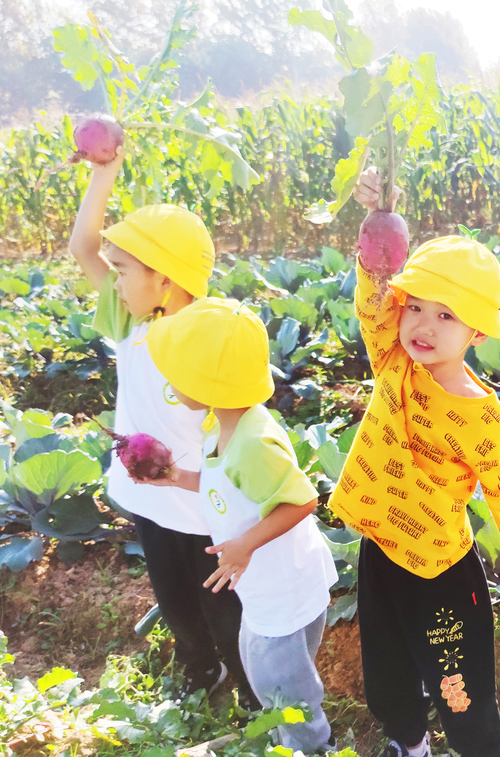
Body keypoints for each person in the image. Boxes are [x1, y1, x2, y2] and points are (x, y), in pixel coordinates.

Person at [327, 168, 500, 757]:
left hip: (441, 578)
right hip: (382, 554)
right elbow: (373, 300)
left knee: (460, 691)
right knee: (386, 679)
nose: (423, 326)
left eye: (446, 315)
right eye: (416, 308)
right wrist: (378, 232)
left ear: (478, 329)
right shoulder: (392, 361)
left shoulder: (479, 414)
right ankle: (411, 743)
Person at [66, 146, 252, 702]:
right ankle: (200, 672)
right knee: (174, 600)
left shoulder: (211, 331)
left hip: (203, 504)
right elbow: (83, 247)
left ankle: (249, 689)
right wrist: (105, 176)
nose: (114, 280)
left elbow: (240, 420)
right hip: (149, 496)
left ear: (165, 279)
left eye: (123, 270)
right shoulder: (131, 318)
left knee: (223, 606)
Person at [145, 298, 338, 752]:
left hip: (284, 589)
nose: (169, 380)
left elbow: (302, 501)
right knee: (263, 670)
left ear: (207, 381)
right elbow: (224, 487)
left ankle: (313, 746)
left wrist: (244, 545)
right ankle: (286, 735)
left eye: (177, 371)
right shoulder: (223, 424)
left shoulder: (255, 441)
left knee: (286, 686)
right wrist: (174, 477)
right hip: (262, 588)